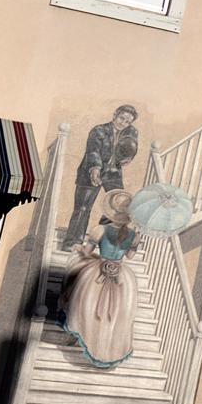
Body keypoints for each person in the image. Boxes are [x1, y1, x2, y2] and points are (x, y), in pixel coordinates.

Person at [60, 189, 140, 368]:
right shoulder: (133, 235)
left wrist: (78, 248)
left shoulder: (100, 230)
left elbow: (87, 252)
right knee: (116, 314)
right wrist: (135, 242)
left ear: (111, 211)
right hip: (121, 275)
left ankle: (82, 337)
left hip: (98, 272)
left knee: (87, 304)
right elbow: (130, 256)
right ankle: (106, 348)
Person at [62, 104, 139, 248]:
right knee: (83, 208)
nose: (123, 123)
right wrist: (95, 169)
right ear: (115, 114)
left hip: (113, 173)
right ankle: (72, 242)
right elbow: (93, 151)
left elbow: (131, 148)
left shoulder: (130, 132)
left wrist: (129, 157)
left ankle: (105, 241)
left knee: (118, 207)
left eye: (128, 121)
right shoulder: (99, 130)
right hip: (90, 170)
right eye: (122, 118)